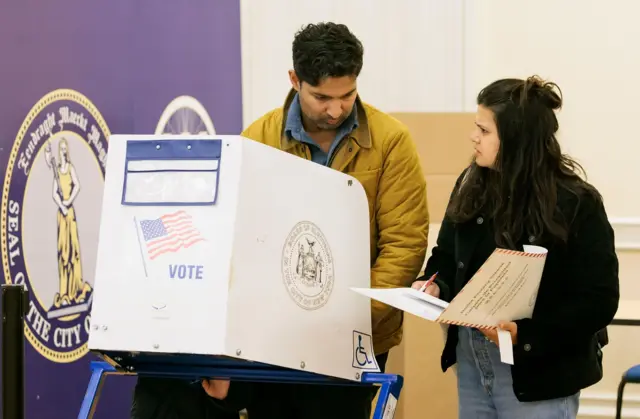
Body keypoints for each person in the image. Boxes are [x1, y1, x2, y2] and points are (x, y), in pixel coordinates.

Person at [130, 21, 429, 419]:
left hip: (355, 339)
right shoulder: (258, 137)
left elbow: (404, 246)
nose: (336, 109)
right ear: (294, 79)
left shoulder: (392, 142)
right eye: (322, 97)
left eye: (347, 95)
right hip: (272, 341)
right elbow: (238, 238)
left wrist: (343, 323)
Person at [411, 76, 619, 419]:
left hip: (539, 370)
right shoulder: (470, 184)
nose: (473, 137)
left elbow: (598, 300)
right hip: (472, 357)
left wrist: (525, 336)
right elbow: (446, 257)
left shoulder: (576, 202)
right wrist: (433, 284)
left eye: (484, 130)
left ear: (515, 138)